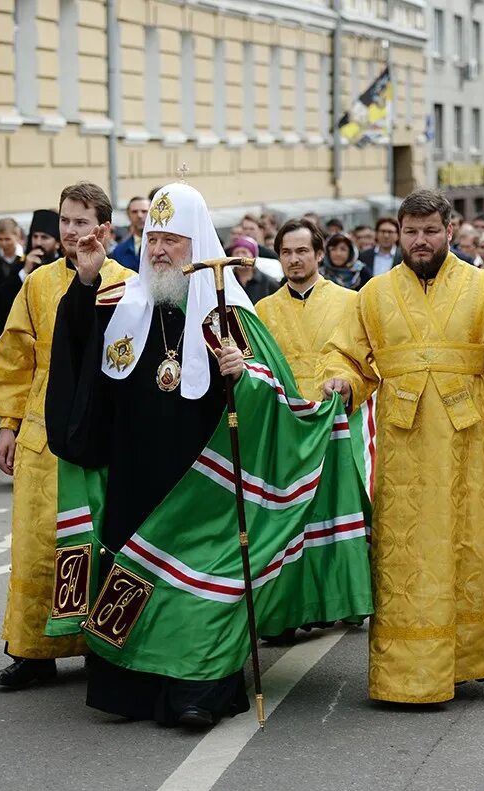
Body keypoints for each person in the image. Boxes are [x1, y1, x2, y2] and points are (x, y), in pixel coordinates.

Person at [47, 181, 371, 728]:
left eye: (171, 240)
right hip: (136, 477)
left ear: (196, 243)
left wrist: (242, 378)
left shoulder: (227, 312)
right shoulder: (121, 306)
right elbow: (81, 366)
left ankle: (196, 691)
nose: (158, 251)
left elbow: (274, 397)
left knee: (202, 590)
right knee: (133, 577)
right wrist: (84, 280)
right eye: (152, 238)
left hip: (204, 480)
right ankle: (129, 688)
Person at [321, 188, 484, 704]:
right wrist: (340, 381)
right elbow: (346, 354)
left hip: (470, 443)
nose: (421, 241)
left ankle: (469, 659)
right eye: (411, 232)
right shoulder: (375, 293)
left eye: (431, 231)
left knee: (473, 548)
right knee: (408, 557)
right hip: (405, 449)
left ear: (450, 231)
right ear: (400, 234)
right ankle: (408, 673)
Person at [0, 182, 133, 689]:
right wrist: (7, 425)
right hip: (41, 430)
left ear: (103, 228)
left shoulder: (128, 283)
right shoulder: (38, 283)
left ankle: (101, 647)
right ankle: (32, 651)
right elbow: (14, 356)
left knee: (97, 542)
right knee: (36, 544)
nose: (70, 231)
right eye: (65, 222)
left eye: (81, 222)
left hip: (100, 432)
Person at [257, 219, 358, 401]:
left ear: (319, 254)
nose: (294, 259)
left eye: (302, 251)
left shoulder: (350, 301)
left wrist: (348, 384)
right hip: (284, 412)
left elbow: (363, 362)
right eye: (286, 252)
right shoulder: (263, 309)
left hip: (332, 411)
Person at [229, 238, 280, 302]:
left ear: (253, 257)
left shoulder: (268, 282)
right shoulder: (228, 280)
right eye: (236, 253)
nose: (240, 256)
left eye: (244, 252)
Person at [111, 196, 149, 271]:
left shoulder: (162, 248)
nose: (139, 215)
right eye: (134, 212)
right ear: (128, 215)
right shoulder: (119, 251)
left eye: (144, 211)